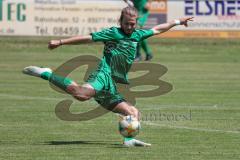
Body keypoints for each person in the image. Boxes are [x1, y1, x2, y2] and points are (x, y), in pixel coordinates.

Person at [23, 6, 193, 147]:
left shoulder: (138, 35)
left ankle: (129, 140)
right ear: (121, 22)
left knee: (134, 113)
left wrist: (179, 22)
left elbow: (159, 29)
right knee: (81, 95)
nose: (130, 27)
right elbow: (87, 38)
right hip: (103, 75)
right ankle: (47, 73)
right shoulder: (113, 33)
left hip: (113, 84)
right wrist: (60, 42)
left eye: (133, 24)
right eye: (127, 24)